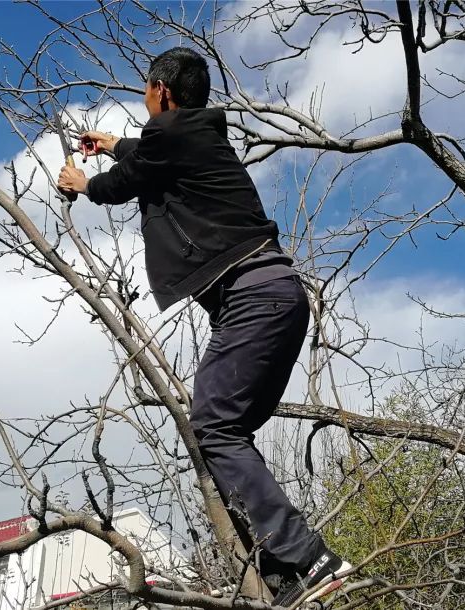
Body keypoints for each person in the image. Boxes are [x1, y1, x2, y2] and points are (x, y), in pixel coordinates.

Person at [56, 47, 351, 606]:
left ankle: (313, 559)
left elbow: (127, 180)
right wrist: (112, 143)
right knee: (228, 436)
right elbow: (146, 154)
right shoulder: (196, 138)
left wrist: (83, 182)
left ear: (162, 92)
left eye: (146, 90)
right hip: (277, 299)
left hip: (253, 299)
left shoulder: (172, 139)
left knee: (212, 426)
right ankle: (284, 574)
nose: (144, 101)